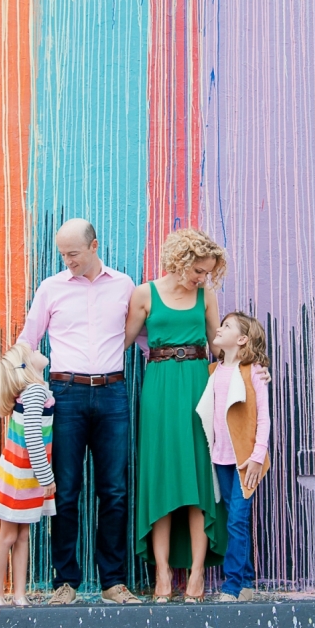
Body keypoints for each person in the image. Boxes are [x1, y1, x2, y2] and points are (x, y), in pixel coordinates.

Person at [16, 219, 142, 605]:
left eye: (73, 253)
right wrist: (26, 385)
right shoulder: (51, 288)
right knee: (65, 492)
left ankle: (114, 583)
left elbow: (146, 338)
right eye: (62, 254)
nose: (67, 260)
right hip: (65, 395)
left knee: (115, 491)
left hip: (112, 392)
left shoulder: (124, 286)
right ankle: (65, 582)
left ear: (94, 246)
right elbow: (27, 341)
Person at [124, 228, 229, 603]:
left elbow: (221, 346)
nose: (202, 277)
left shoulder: (206, 295)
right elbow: (118, 343)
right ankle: (163, 575)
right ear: (180, 260)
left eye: (207, 272)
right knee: (161, 479)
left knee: (199, 480)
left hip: (198, 390)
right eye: (198, 270)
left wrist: (251, 371)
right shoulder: (144, 294)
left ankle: (198, 574)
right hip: (159, 388)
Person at [195, 311, 271, 602]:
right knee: (233, 518)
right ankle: (248, 582)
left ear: (241, 339)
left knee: (237, 520)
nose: (219, 328)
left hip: (245, 461)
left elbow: (263, 418)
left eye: (226, 326)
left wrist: (256, 456)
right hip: (221, 460)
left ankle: (232, 586)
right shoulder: (214, 371)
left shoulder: (253, 371)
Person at [0, 342, 57, 606]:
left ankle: (17, 594)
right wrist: (47, 477)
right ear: (26, 367)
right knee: (9, 536)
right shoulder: (36, 392)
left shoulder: (32, 392)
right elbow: (34, 439)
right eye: (32, 352)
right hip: (22, 478)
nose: (38, 349)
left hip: (20, 476)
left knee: (19, 535)